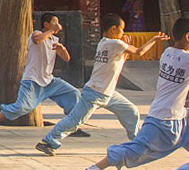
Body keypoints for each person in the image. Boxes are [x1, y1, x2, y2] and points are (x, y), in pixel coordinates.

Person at [83, 18, 189, 170]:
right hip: (165, 121)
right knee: (135, 149)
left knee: (137, 146)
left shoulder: (167, 53)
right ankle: (96, 169)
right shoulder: (186, 59)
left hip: (179, 116)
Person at [36, 14, 168, 156]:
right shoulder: (116, 44)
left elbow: (119, 60)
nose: (123, 33)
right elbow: (139, 52)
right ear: (113, 29)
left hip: (108, 92)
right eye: (121, 29)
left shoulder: (104, 43)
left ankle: (138, 144)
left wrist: (125, 46)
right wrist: (154, 40)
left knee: (131, 111)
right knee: (75, 121)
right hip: (96, 92)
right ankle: (48, 141)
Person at [0, 13, 80, 137]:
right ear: (46, 24)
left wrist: (62, 49)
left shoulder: (54, 40)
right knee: (20, 107)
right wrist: (51, 30)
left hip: (49, 81)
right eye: (55, 22)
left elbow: (66, 58)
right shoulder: (36, 34)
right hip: (32, 81)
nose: (58, 25)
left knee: (73, 93)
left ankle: (71, 126)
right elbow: (37, 40)